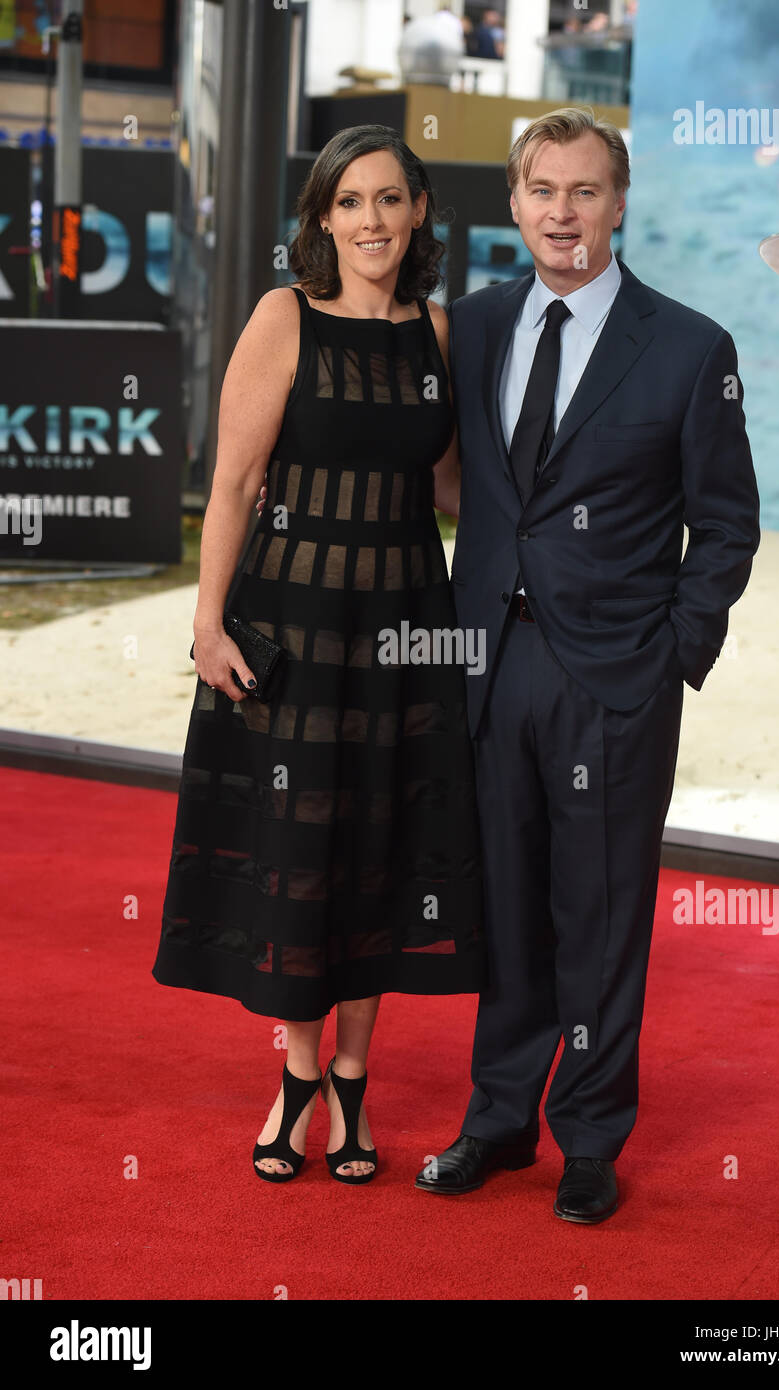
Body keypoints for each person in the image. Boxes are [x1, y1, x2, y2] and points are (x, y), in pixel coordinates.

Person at [414, 107, 760, 1221]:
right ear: (513, 202)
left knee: (601, 914)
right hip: (490, 662)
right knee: (506, 906)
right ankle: (498, 1120)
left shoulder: (689, 346)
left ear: (618, 204)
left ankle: (593, 1136)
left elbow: (727, 525)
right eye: (541, 190)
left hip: (615, 674)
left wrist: (672, 655)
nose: (561, 213)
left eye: (583, 192)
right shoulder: (467, 328)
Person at [152, 124, 485, 1186]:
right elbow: (236, 485)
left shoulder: (440, 332)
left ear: (420, 211)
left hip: (403, 622)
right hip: (291, 620)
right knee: (301, 843)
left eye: (390, 199)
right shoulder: (282, 318)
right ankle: (296, 1074)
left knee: (377, 842)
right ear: (323, 218)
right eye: (350, 203)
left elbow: (448, 492)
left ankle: (352, 1075)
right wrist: (208, 624)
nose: (372, 221)